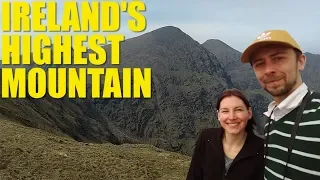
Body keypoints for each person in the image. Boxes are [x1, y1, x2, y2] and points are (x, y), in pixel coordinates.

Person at [240, 29, 320, 179]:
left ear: (300, 61)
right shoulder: (271, 118)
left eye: (278, 58)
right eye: (259, 64)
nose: (269, 70)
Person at [186, 88, 264, 180]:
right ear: (218, 115)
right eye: (225, 111)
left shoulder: (263, 149)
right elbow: (193, 176)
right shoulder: (206, 138)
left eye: (238, 110)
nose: (232, 117)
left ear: (249, 113)